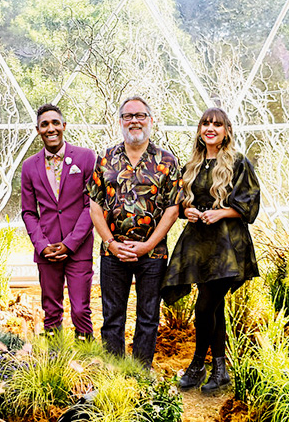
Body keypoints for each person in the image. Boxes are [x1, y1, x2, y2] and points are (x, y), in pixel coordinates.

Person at [162, 107, 260, 394]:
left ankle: (197, 365)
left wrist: (222, 213)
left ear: (226, 131)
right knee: (214, 308)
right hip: (199, 246)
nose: (210, 128)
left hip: (228, 247)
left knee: (205, 306)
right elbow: (179, 201)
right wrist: (188, 210)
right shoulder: (192, 164)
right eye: (205, 123)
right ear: (200, 130)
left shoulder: (238, 162)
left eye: (217, 125)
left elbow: (250, 202)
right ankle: (219, 370)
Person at [88, 96, 180, 368]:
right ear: (120, 122)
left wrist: (149, 245)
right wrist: (111, 243)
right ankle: (115, 375)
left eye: (140, 115)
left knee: (148, 317)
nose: (134, 121)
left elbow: (173, 209)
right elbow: (95, 205)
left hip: (152, 255)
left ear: (151, 120)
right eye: (128, 116)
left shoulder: (167, 161)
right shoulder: (105, 159)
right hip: (112, 252)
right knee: (112, 317)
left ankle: (140, 374)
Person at [20, 104, 97, 339]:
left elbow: (90, 206)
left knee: (81, 308)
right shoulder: (29, 166)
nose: (50, 128)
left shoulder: (85, 158)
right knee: (51, 310)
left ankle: (85, 357)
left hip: (78, 247)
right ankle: (55, 359)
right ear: (37, 130)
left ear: (64, 126)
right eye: (45, 124)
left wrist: (71, 243)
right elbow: (28, 212)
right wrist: (42, 245)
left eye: (55, 123)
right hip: (47, 249)